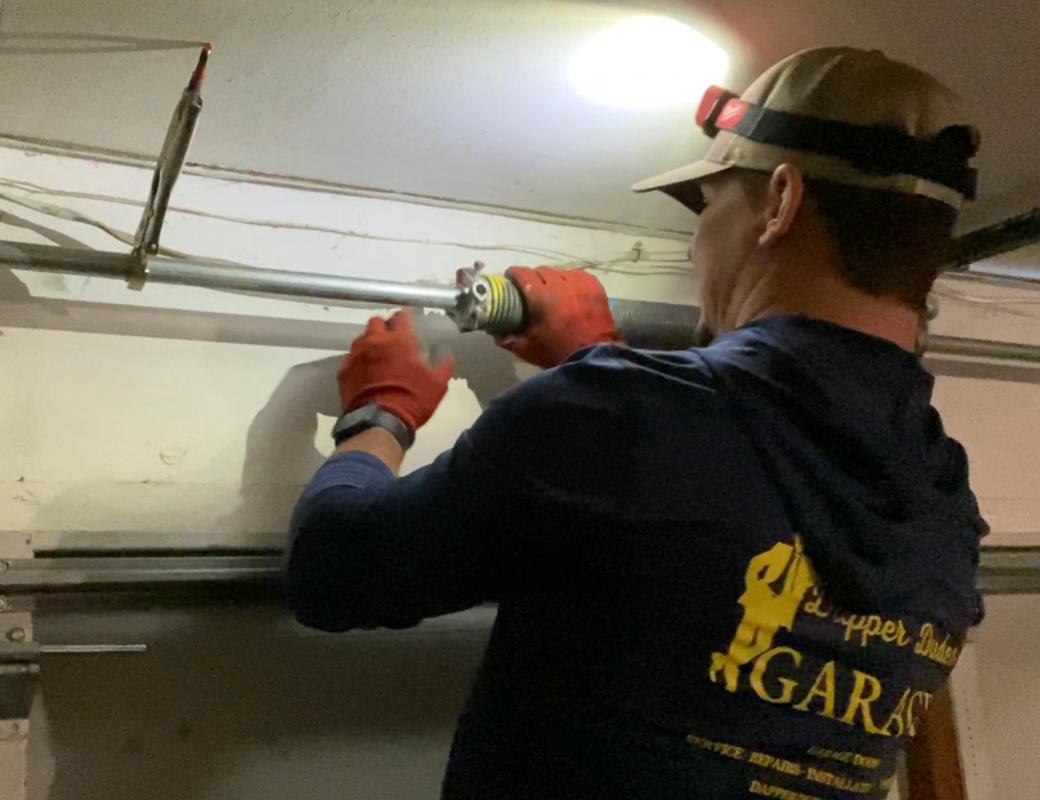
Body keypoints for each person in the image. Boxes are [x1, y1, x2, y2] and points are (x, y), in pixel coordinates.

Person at [287, 46, 986, 800]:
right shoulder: (945, 502)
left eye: (708, 206)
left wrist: (380, 411)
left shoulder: (624, 417)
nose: (695, 245)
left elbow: (336, 569)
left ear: (780, 201)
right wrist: (600, 370)